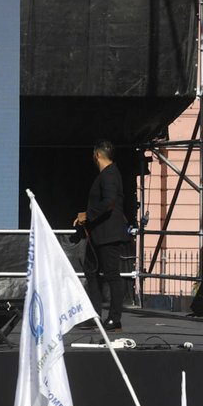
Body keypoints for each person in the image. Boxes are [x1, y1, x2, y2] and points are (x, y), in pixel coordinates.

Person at [75, 141, 128, 331]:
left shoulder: (110, 174)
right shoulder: (108, 174)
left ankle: (115, 319)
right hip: (98, 233)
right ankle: (94, 314)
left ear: (97, 154)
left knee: (112, 275)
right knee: (91, 272)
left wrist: (87, 215)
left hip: (109, 234)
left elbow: (109, 202)